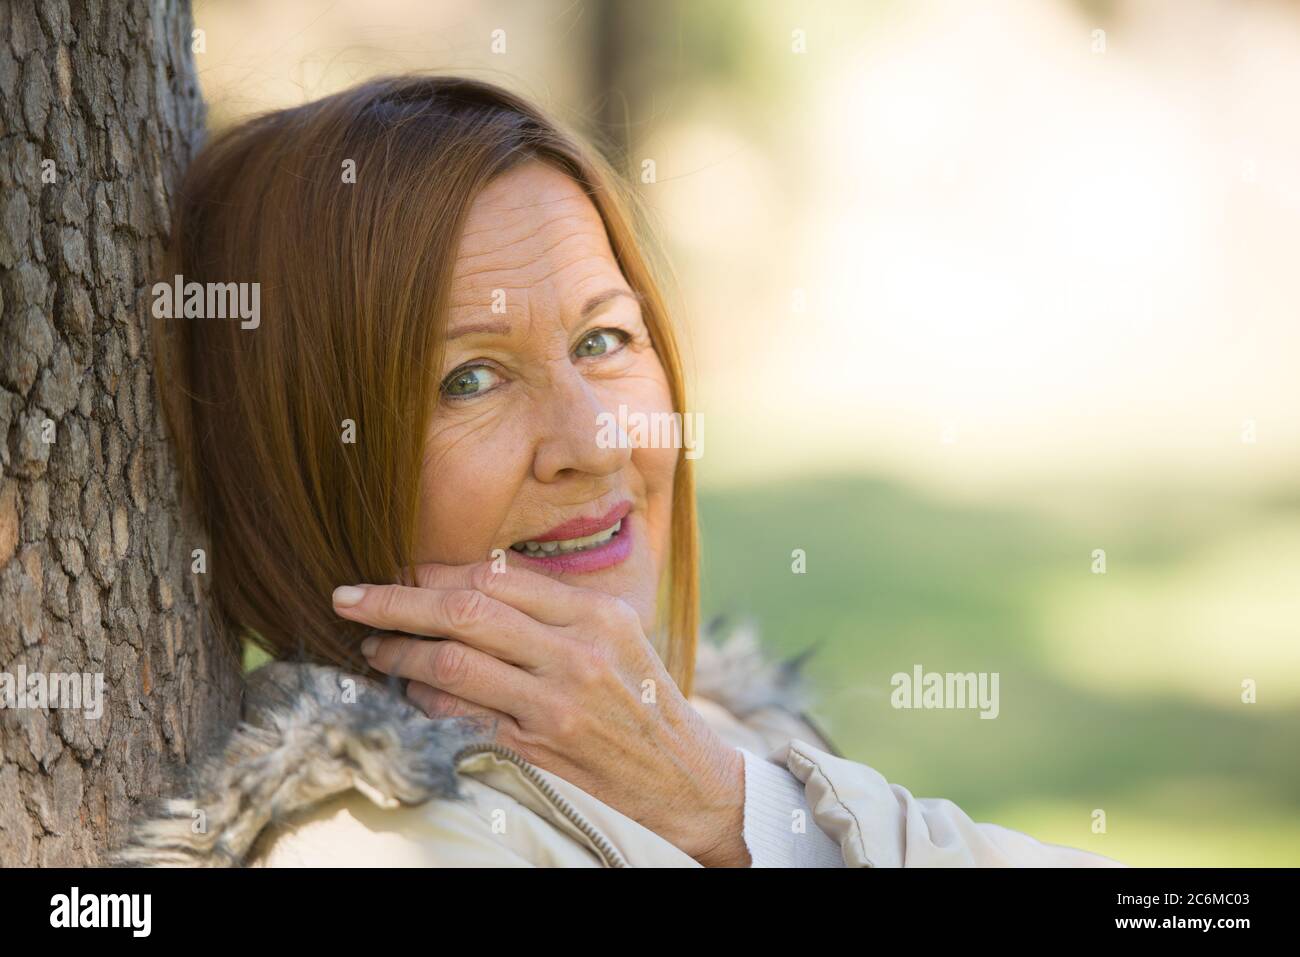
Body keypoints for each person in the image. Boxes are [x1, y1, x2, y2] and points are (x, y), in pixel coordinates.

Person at [120, 75, 1121, 868]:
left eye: (604, 339)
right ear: (296, 456)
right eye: (468, 378)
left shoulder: (722, 737)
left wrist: (741, 814)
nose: (597, 440)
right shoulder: (390, 843)